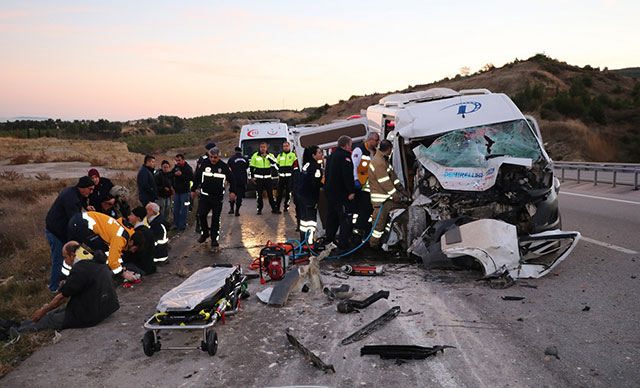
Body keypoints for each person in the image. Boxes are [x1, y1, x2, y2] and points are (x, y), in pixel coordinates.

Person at [10, 241, 119, 333]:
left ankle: (17, 331)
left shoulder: (80, 269)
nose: (65, 261)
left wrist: (42, 311)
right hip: (107, 307)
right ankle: (19, 325)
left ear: (72, 255)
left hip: (91, 315)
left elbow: (62, 298)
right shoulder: (95, 260)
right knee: (56, 312)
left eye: (65, 257)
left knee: (50, 318)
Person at [45, 176, 94, 292]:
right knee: (59, 259)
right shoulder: (70, 198)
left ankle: (66, 281)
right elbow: (75, 221)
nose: (91, 192)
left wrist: (86, 207)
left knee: (67, 258)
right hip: (55, 231)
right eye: (90, 189)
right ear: (82, 188)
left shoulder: (76, 193)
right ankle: (54, 287)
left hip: (61, 230)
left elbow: (82, 201)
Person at [66, 211, 143, 281]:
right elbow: (112, 261)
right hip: (82, 224)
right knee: (101, 251)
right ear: (131, 242)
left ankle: (73, 276)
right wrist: (125, 275)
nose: (132, 251)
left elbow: (115, 253)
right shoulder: (120, 239)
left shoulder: (126, 233)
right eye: (134, 249)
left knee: (103, 250)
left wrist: (122, 268)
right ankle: (74, 278)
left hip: (80, 220)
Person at [368, 140, 408, 249]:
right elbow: (385, 182)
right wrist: (396, 196)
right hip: (380, 203)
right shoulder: (379, 162)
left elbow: (393, 177)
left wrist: (401, 189)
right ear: (389, 149)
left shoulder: (384, 160)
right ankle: (372, 248)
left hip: (386, 201)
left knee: (385, 225)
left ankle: (382, 244)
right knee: (378, 228)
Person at [192, 147, 236, 248]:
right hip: (205, 196)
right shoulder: (204, 164)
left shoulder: (224, 167)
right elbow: (197, 177)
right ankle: (204, 234)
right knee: (201, 215)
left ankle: (214, 238)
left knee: (216, 218)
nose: (213, 159)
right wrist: (193, 189)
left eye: (215, 157)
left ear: (219, 157)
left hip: (217, 197)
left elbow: (232, 179)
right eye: (211, 157)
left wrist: (232, 192)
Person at [324, 135, 356, 252]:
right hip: (341, 194)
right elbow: (347, 176)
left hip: (330, 193)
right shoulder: (345, 157)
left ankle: (330, 241)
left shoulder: (331, 157)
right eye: (350, 145)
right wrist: (351, 191)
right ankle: (343, 244)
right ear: (346, 145)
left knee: (332, 218)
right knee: (345, 219)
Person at [351, 132, 380, 238]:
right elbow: (354, 165)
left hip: (370, 188)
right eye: (376, 140)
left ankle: (363, 231)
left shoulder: (374, 152)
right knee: (362, 210)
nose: (378, 142)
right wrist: (355, 180)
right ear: (370, 140)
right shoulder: (359, 150)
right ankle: (356, 232)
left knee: (367, 211)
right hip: (361, 187)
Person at [297, 146, 324, 244]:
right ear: (313, 155)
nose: (322, 154)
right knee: (310, 221)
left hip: (301, 195)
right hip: (309, 198)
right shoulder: (315, 168)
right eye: (319, 152)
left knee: (303, 220)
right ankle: (309, 243)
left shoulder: (306, 164)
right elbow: (315, 183)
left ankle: (303, 241)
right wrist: (324, 185)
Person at [122, 206, 156, 276]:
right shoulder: (146, 230)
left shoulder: (138, 233)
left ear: (138, 218)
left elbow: (137, 255)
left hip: (142, 267)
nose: (129, 217)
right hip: (150, 266)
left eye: (131, 215)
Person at [250, 142, 278, 214]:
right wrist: (252, 176)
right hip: (259, 179)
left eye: (264, 147)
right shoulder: (255, 156)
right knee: (259, 195)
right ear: (259, 148)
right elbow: (252, 167)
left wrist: (267, 157)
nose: (263, 148)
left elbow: (275, 162)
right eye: (261, 147)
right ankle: (259, 209)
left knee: (270, 195)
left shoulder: (270, 155)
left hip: (268, 178)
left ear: (266, 148)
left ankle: (274, 208)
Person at [171, 153, 194, 231]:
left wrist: (181, 175)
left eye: (179, 160)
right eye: (176, 160)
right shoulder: (175, 168)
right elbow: (171, 175)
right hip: (177, 192)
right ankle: (176, 224)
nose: (178, 162)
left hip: (185, 192)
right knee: (176, 209)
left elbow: (191, 177)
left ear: (183, 160)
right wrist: (174, 174)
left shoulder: (187, 168)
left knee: (183, 209)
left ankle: (182, 225)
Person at [275, 141, 298, 213]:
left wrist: (293, 172)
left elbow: (296, 165)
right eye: (284, 146)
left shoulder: (293, 155)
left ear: (289, 147)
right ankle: (277, 207)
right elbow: (276, 164)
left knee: (288, 193)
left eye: (287, 146)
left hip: (289, 177)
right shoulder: (280, 155)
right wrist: (279, 170)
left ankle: (286, 206)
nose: (285, 147)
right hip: (281, 177)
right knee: (279, 193)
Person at [227, 146, 248, 216]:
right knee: (239, 196)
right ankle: (237, 211)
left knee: (232, 193)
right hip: (242, 179)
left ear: (235, 151)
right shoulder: (245, 159)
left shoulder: (231, 159)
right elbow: (246, 167)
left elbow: (228, 168)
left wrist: (228, 179)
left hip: (233, 179)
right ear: (241, 152)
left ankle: (231, 209)